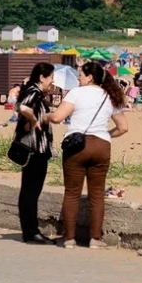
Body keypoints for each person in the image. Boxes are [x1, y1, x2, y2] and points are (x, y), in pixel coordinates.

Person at [48, 61, 128, 248]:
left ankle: (69, 239)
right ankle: (95, 239)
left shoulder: (76, 93)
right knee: (97, 194)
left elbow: (58, 117)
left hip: (76, 146)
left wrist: (45, 116)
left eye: (81, 75)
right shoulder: (109, 95)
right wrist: (105, 135)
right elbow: (123, 127)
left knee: (72, 193)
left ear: (90, 77)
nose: (78, 78)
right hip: (101, 146)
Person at [13, 62, 55, 244]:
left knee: (28, 191)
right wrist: (34, 120)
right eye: (51, 77)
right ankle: (31, 232)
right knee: (31, 191)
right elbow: (23, 108)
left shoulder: (32, 90)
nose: (51, 81)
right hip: (35, 149)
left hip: (33, 149)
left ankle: (29, 231)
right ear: (42, 77)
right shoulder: (35, 92)